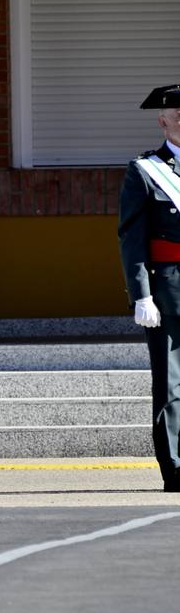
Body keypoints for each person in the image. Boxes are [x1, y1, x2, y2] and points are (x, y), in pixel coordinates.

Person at [117, 83, 180, 492]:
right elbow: (132, 237)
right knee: (172, 383)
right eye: (179, 116)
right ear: (163, 121)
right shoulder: (144, 170)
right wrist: (141, 293)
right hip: (169, 288)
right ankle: (175, 466)